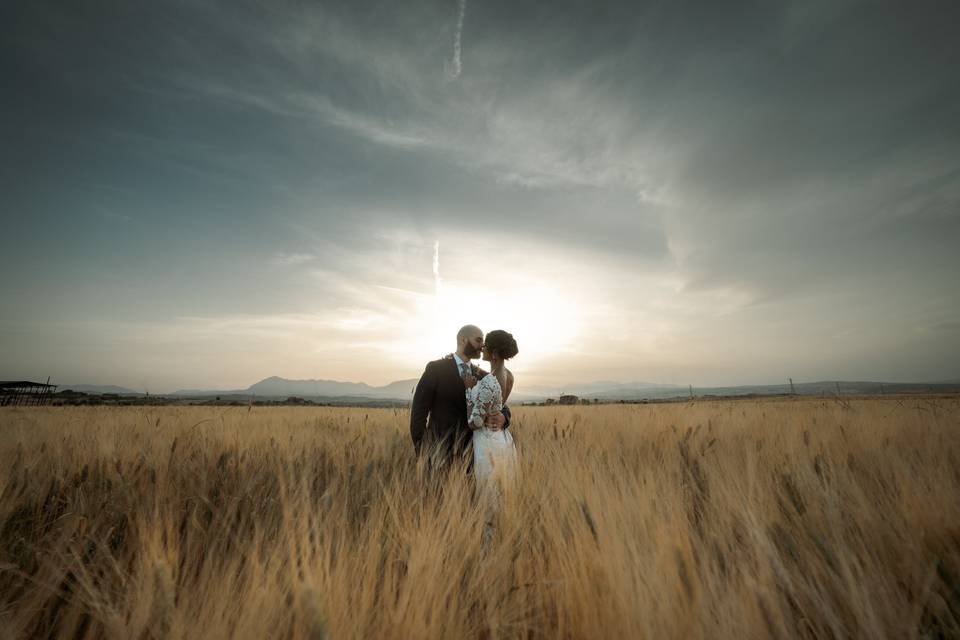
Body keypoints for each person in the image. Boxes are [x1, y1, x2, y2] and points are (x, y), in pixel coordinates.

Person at [410, 325, 509, 470]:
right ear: (463, 340)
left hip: (474, 455)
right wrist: (424, 452)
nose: (482, 346)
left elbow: (499, 404)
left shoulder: (483, 375)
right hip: (440, 452)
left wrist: (505, 418)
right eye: (478, 340)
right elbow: (418, 413)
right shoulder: (436, 369)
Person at [465, 329, 519, 548]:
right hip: (503, 439)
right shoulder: (509, 375)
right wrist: (505, 417)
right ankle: (499, 541)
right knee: (499, 491)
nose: (482, 348)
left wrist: (469, 390)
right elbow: (500, 406)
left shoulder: (489, 381)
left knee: (487, 494)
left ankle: (487, 546)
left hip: (487, 440)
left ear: (494, 353)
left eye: (485, 346)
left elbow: (476, 420)